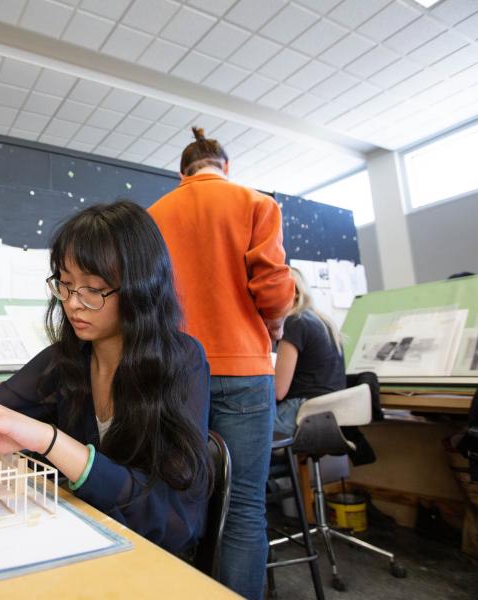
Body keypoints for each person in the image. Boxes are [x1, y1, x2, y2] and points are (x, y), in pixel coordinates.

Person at [0, 200, 212, 555]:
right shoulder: (66, 361)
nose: (72, 303)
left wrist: (50, 440)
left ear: (140, 289)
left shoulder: (181, 363)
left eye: (93, 290)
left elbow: (176, 522)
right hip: (83, 541)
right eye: (66, 285)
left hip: (151, 561)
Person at [148, 127, 294, 599]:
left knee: (171, 496)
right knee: (245, 506)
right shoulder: (256, 203)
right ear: (226, 167)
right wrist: (273, 327)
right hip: (244, 369)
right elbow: (273, 290)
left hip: (172, 371)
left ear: (182, 172)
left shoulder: (153, 216)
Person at [273, 267, 346, 436]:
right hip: (329, 413)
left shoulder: (294, 322)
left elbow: (278, 390)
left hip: (301, 411)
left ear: (294, 293)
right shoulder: (324, 321)